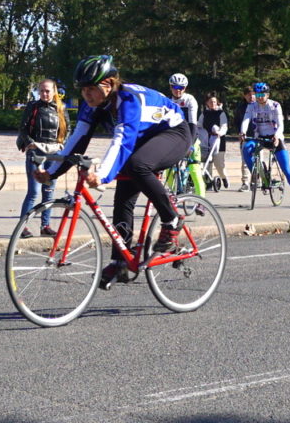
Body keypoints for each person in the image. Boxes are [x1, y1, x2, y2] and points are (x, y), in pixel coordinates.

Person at [34, 55, 191, 289]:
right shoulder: (91, 103)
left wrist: (102, 175)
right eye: (83, 89)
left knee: (137, 165)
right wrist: (52, 172)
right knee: (123, 198)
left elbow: (122, 141)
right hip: (142, 140)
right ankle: (121, 260)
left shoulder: (128, 100)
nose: (87, 95)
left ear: (108, 84)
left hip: (174, 133)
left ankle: (172, 219)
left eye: (91, 89)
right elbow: (78, 138)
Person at [239, 82, 290, 208]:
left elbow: (281, 124)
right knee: (246, 148)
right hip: (259, 137)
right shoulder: (252, 106)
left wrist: (277, 136)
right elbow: (246, 119)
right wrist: (242, 132)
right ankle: (258, 173)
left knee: (286, 168)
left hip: (274, 137)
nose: (259, 97)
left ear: (267, 94)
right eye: (257, 94)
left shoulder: (275, 105)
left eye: (262, 94)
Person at [16, 78, 68, 238]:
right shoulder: (33, 107)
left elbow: (68, 129)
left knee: (49, 191)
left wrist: (63, 146)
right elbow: (23, 129)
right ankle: (22, 227)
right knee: (33, 191)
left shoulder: (61, 107)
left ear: (54, 91)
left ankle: (45, 226)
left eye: (48, 91)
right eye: (42, 91)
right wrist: (30, 143)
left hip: (54, 152)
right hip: (36, 153)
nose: (45, 94)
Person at [168, 73, 205, 195]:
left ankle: (201, 202)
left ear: (185, 88)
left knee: (194, 169)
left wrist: (191, 144)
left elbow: (193, 125)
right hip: (175, 138)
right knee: (167, 167)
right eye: (175, 87)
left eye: (181, 88)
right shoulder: (168, 102)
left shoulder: (190, 100)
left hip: (191, 136)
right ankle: (173, 196)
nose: (178, 90)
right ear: (170, 87)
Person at [198, 94, 229, 189]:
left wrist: (220, 132)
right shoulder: (204, 113)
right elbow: (199, 124)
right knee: (207, 162)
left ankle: (224, 178)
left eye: (214, 102)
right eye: (210, 102)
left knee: (219, 164)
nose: (212, 104)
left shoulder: (221, 113)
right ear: (207, 103)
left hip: (218, 140)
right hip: (206, 139)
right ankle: (208, 182)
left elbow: (224, 126)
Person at [233, 86, 254, 191]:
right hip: (245, 137)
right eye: (248, 95)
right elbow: (236, 121)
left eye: (253, 94)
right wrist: (239, 133)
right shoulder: (241, 107)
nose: (251, 97)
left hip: (258, 137)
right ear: (244, 96)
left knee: (259, 159)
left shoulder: (259, 106)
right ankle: (245, 182)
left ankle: (257, 180)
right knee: (245, 161)